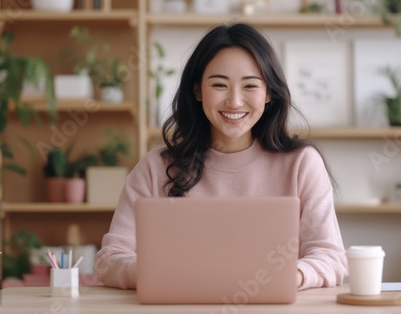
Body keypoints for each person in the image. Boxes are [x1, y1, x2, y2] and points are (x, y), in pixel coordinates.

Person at [94, 22, 348, 290]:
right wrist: (168, 273)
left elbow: (331, 258)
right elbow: (110, 261)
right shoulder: (155, 169)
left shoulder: (301, 164)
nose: (235, 102)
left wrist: (288, 277)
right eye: (219, 85)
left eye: (250, 86)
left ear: (269, 93)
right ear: (197, 91)